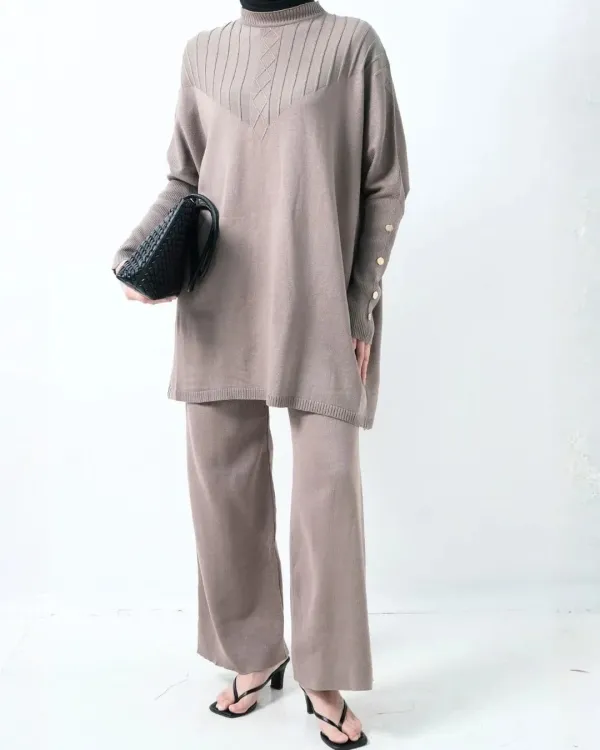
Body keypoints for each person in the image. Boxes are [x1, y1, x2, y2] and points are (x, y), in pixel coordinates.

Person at [112, 0, 409, 746]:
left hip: (317, 305)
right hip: (218, 305)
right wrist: (139, 256)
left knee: (326, 496)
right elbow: (184, 178)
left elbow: (385, 184)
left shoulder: (352, 46)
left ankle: (323, 673)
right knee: (224, 488)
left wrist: (360, 306)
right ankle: (254, 652)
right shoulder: (202, 52)